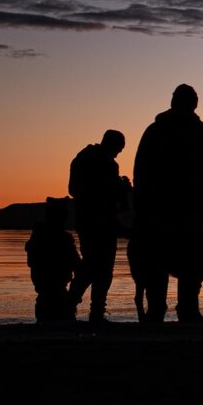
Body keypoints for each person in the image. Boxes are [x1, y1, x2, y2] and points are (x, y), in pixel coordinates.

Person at [133, 84, 203, 323]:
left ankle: (171, 310)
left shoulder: (158, 130)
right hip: (173, 205)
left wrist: (143, 198)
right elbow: (141, 170)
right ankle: (178, 310)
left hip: (177, 205)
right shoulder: (195, 131)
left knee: (173, 258)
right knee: (180, 258)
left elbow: (140, 171)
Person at [66, 129, 130, 324]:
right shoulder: (102, 163)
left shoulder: (84, 159)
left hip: (92, 222)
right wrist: (119, 189)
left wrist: (119, 189)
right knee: (95, 267)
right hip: (97, 223)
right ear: (110, 144)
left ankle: (86, 310)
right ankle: (74, 307)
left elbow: (75, 190)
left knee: (96, 267)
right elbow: (78, 190)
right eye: (118, 149)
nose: (118, 153)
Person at [25, 196, 80, 325]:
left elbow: (31, 262)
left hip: (46, 297)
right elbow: (77, 265)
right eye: (64, 215)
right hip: (56, 297)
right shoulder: (63, 239)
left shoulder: (37, 237)